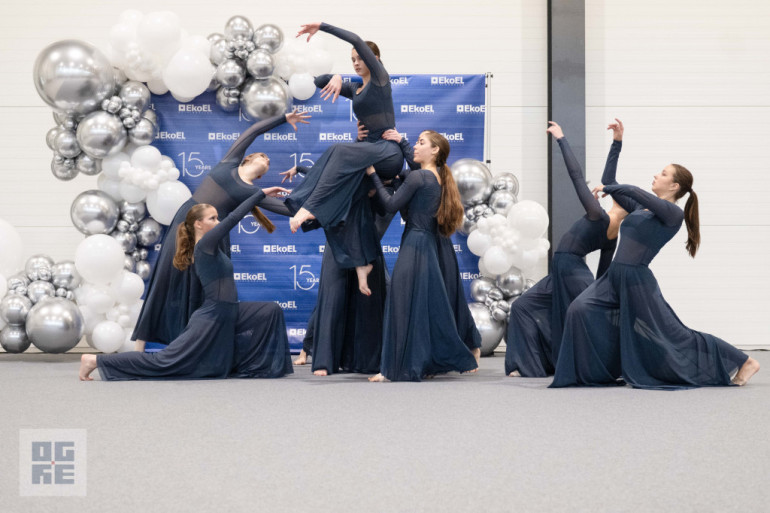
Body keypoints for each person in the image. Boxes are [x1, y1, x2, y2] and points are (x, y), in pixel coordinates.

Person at [550, 161, 760, 389]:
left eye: (663, 174)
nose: (656, 176)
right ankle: (592, 373)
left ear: (674, 186)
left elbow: (630, 190)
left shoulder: (672, 214)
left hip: (636, 281)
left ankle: (745, 361)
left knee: (673, 332)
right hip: (613, 277)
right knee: (579, 309)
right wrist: (617, 144)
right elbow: (613, 183)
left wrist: (608, 189)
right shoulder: (642, 208)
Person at [131, 109, 310, 352]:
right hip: (187, 221)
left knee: (203, 290)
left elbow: (290, 211)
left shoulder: (254, 193)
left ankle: (192, 346)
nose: (267, 161)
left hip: (214, 237)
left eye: (268, 162)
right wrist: (284, 119)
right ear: (248, 159)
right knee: (167, 277)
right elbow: (253, 131)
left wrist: (315, 189)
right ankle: (140, 346)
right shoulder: (230, 162)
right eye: (263, 157)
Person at [79, 190, 294, 381]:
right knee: (165, 361)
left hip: (231, 311)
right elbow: (235, 217)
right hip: (212, 316)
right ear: (198, 224)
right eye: (213, 218)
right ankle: (96, 362)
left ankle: (250, 364)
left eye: (217, 217)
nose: (218, 222)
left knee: (270, 310)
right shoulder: (205, 245)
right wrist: (259, 194)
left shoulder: (209, 244)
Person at [285, 22, 405, 296]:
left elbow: (355, 37)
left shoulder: (380, 79)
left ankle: (308, 207)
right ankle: (362, 263)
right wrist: (336, 76)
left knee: (338, 151)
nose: (355, 63)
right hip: (370, 152)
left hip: (389, 153)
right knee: (350, 200)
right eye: (351, 60)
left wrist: (322, 26)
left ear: (374, 60)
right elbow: (317, 82)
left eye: (360, 58)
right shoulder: (356, 88)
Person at [505, 120, 628, 377]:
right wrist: (617, 142)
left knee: (581, 319)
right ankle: (532, 365)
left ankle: (597, 366)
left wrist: (561, 139)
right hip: (565, 271)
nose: (612, 190)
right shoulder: (611, 232)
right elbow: (602, 275)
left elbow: (575, 176)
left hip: (571, 272)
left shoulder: (597, 214)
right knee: (522, 307)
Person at [367, 131, 479, 382]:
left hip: (415, 244)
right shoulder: (434, 177)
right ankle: (417, 362)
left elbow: (391, 206)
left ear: (435, 150)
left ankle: (392, 369)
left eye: (421, 143)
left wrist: (373, 175)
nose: (415, 147)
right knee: (418, 306)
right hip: (423, 244)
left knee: (402, 303)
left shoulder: (420, 176)